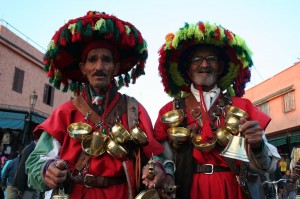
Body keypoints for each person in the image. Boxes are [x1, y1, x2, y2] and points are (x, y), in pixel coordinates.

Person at [25, 11, 173, 199]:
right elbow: (34, 164)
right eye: (92, 60)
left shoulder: (134, 110)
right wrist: (48, 170)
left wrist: (157, 169)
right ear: (83, 68)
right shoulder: (65, 112)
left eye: (106, 60)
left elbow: (156, 155)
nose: (99, 67)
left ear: (116, 68)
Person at [153, 21, 281, 199]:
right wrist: (162, 170)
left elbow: (268, 167)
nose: (204, 65)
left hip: (232, 188)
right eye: (197, 60)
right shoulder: (170, 110)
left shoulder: (243, 106)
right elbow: (159, 155)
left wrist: (258, 146)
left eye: (211, 59)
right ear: (188, 69)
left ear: (221, 67)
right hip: (186, 189)